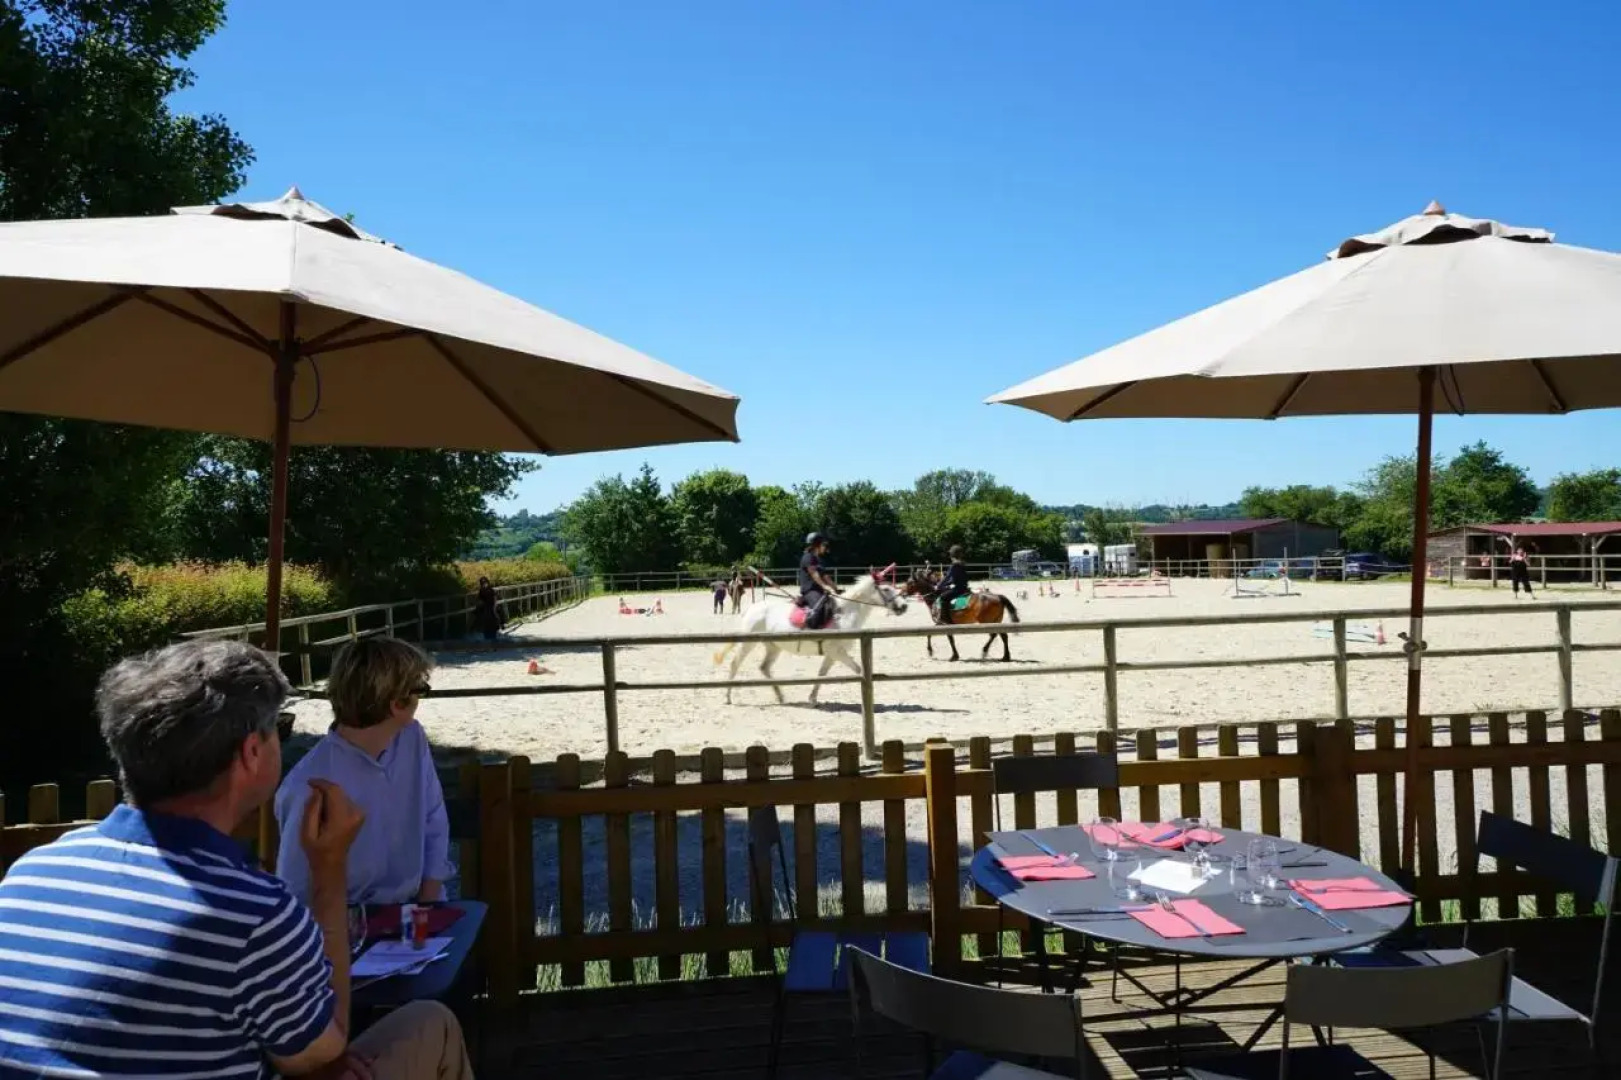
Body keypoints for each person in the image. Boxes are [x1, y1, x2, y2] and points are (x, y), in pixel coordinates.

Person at [0, 639, 473, 1079]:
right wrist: (328, 870)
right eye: (278, 729)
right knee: (433, 1024)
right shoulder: (253, 914)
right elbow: (324, 1054)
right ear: (251, 753)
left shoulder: (29, 875)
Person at [276, 637, 454, 907]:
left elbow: (434, 819)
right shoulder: (307, 785)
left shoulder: (411, 738)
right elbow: (297, 889)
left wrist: (428, 908)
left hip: (416, 910)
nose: (421, 698)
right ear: (398, 703)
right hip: (346, 921)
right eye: (420, 689)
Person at [798, 532, 841, 629]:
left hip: (819, 590)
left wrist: (835, 588)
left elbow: (825, 576)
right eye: (823, 544)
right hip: (810, 590)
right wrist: (825, 586)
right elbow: (814, 573)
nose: (825, 547)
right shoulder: (807, 557)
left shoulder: (819, 559)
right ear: (816, 545)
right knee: (819, 607)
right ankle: (812, 630)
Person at [935, 544, 971, 624]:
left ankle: (945, 619)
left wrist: (939, 585)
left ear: (952, 555)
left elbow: (947, 577)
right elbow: (954, 579)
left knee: (943, 597)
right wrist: (946, 584)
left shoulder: (954, 565)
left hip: (959, 589)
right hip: (965, 587)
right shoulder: (962, 563)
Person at [474, 576, 501, 641]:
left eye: (485, 582)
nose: (484, 584)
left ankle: (494, 637)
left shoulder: (491, 590)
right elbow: (478, 599)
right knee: (485, 623)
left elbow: (495, 598)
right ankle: (487, 638)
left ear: (487, 582)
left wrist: (495, 607)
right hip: (485, 608)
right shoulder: (481, 591)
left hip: (491, 607)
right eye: (483, 583)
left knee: (493, 621)